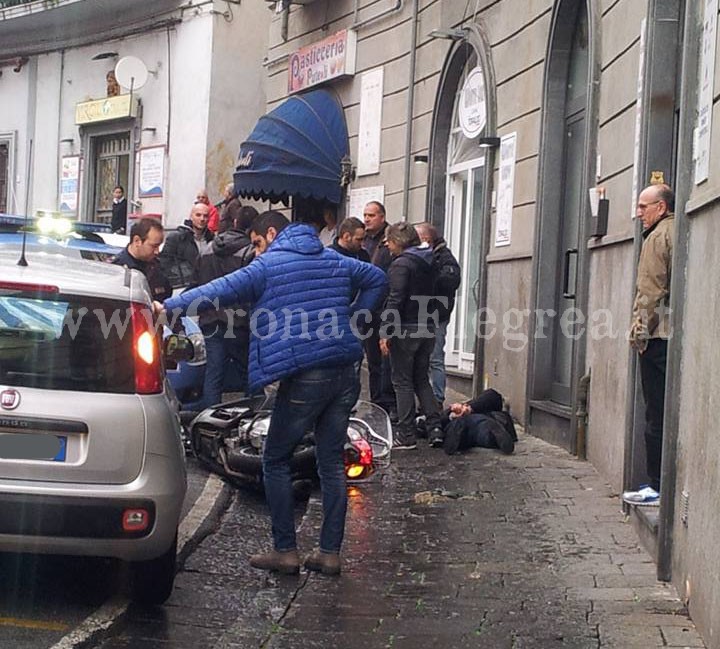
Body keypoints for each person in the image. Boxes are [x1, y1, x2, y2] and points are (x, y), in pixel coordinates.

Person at [157, 211, 387, 576]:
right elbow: (377, 277)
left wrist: (167, 306)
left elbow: (220, 289)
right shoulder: (335, 260)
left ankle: (286, 551)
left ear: (271, 234)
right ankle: (329, 553)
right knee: (330, 462)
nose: (256, 250)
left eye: (259, 243)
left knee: (275, 459)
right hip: (345, 371)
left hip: (308, 375)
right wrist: (356, 320)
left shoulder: (270, 265)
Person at [623, 184, 675, 507]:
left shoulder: (657, 238)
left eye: (644, 207)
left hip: (657, 338)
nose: (639, 213)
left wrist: (639, 335)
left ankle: (655, 486)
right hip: (670, 335)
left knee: (655, 412)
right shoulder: (673, 231)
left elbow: (650, 294)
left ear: (661, 207)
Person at [379, 222, 443, 450]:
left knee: (402, 381)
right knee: (421, 379)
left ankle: (406, 435)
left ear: (397, 242)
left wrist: (386, 331)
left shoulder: (401, 264)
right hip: (427, 325)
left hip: (406, 327)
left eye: (389, 242)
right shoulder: (430, 260)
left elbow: (396, 298)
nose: (387, 246)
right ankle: (436, 428)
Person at [193, 205, 258, 407]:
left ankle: (209, 422)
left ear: (235, 223)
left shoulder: (207, 249)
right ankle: (254, 417)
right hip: (239, 322)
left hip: (210, 319)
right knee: (251, 373)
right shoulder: (250, 252)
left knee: (214, 374)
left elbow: (196, 284)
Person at [415, 222, 461, 405]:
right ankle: (424, 400)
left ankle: (437, 399)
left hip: (436, 315)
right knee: (422, 359)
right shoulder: (428, 256)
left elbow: (449, 282)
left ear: (426, 239)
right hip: (423, 313)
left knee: (435, 358)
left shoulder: (444, 258)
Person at [361, 201, 396, 417]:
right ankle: (376, 401)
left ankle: (389, 401)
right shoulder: (362, 239)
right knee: (372, 359)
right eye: (365, 215)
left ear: (382, 217)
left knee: (387, 360)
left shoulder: (390, 240)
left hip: (385, 307)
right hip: (368, 308)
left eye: (371, 215)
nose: (366, 219)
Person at [441, 388, 517, 456]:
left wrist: (465, 408)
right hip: (481, 421)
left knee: (478, 428)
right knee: (481, 429)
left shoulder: (482, 404)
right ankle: (491, 434)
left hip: (474, 420)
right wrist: (452, 414)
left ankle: (460, 428)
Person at [112, 217, 172, 301]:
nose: (157, 251)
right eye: (154, 246)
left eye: (159, 246)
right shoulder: (116, 269)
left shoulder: (158, 267)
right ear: (137, 241)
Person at [159, 201, 214, 284]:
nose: (202, 219)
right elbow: (165, 264)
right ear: (191, 217)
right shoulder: (177, 238)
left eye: (205, 216)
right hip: (182, 286)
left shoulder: (212, 240)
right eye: (198, 215)